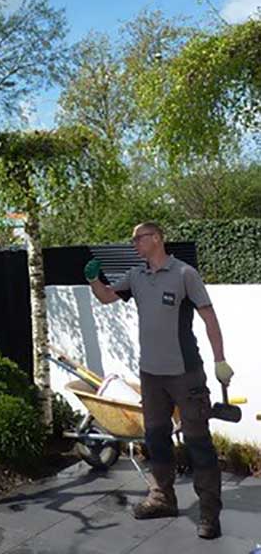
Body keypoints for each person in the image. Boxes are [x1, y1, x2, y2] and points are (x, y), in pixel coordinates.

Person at [84, 221, 233, 541]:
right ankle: (162, 498)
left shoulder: (184, 274)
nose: (134, 242)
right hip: (150, 376)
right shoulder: (137, 276)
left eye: (139, 238)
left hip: (185, 373)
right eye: (133, 238)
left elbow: (209, 317)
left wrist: (220, 360)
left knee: (198, 443)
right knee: (156, 439)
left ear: (157, 238)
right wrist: (93, 278)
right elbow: (107, 297)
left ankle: (209, 513)